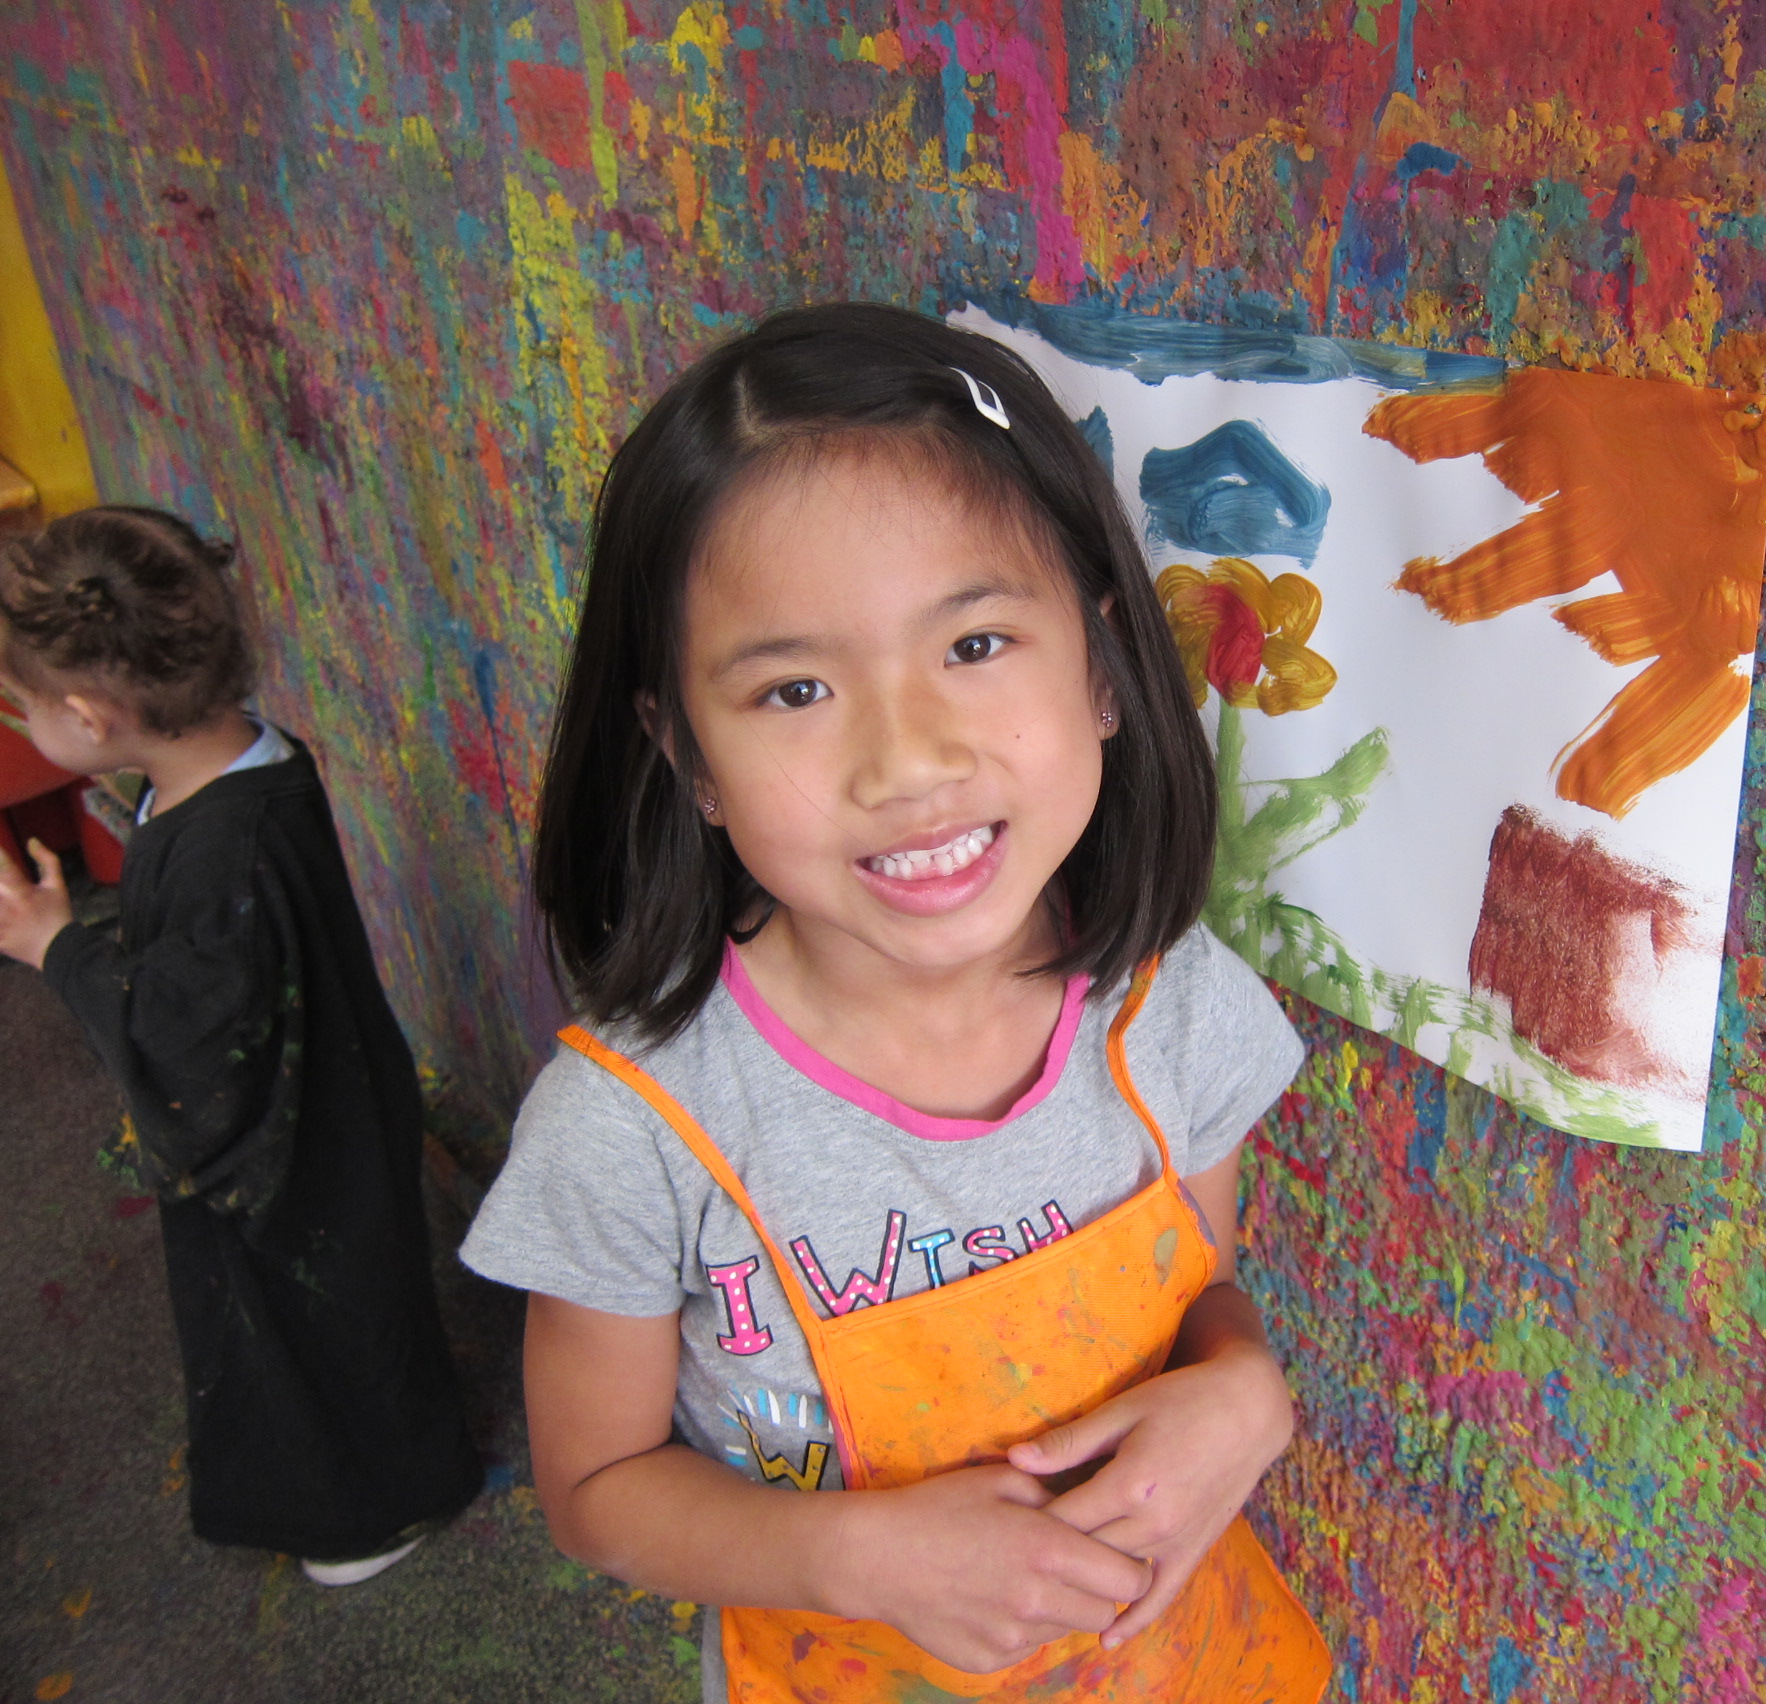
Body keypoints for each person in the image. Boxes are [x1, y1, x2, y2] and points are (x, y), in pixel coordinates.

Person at [459, 304, 1332, 1702]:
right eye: (795, 689)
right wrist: (855, 1559)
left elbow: (1202, 1296)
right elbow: (598, 1492)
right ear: (688, 756)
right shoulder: (629, 1131)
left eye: (974, 646)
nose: (907, 761)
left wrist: (1245, 1386)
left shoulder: (1172, 1004)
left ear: (1102, 669)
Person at [0, 506, 482, 1584]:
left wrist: (58, 949)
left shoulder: (224, 846)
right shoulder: (246, 758)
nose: (26, 723)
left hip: (293, 1145)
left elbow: (188, 1048)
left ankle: (375, 1513)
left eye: (23, 705)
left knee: (314, 1325)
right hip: (332, 1092)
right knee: (357, 1300)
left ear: (88, 715)